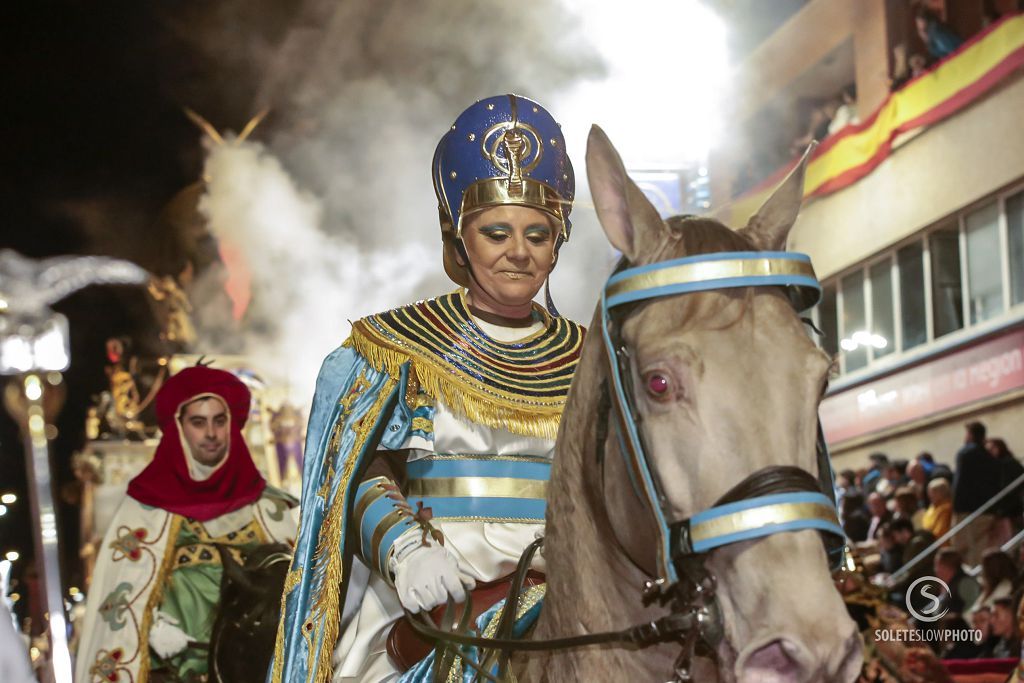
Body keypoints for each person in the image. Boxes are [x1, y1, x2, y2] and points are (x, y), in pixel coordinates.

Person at [272, 95, 582, 682]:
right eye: (497, 231)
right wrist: (404, 550)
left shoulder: (594, 358)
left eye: (538, 233)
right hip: (434, 594)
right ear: (458, 236)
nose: (519, 251)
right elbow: (355, 472)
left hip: (572, 581)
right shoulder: (394, 350)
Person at [75, 365, 298, 683]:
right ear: (179, 427)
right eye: (198, 422)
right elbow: (120, 603)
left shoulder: (268, 507)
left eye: (219, 421)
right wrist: (148, 629)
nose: (211, 433)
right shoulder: (142, 512)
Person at [954, 421, 1003, 565]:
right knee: (980, 546)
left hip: (966, 510)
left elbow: (959, 484)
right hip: (987, 510)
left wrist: (957, 508)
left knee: (962, 548)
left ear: (970, 435)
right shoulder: (991, 458)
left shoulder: (964, 454)